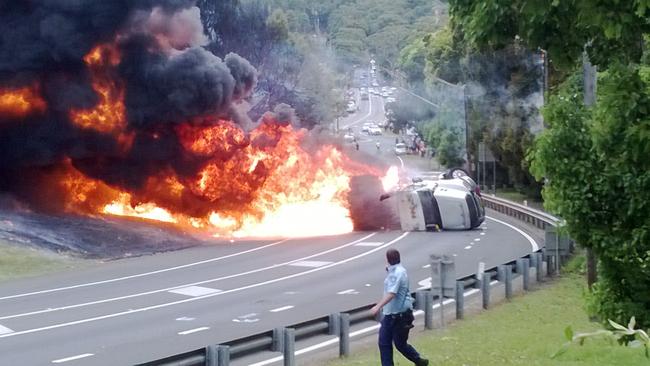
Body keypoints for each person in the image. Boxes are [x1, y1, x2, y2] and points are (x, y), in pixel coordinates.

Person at [370, 249, 429, 366]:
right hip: (392, 314)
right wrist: (389, 269)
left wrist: (377, 306)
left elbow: (392, 293)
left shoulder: (397, 273)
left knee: (399, 344)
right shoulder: (397, 271)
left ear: (387, 259)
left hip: (399, 316)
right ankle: (416, 361)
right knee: (384, 343)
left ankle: (418, 360)